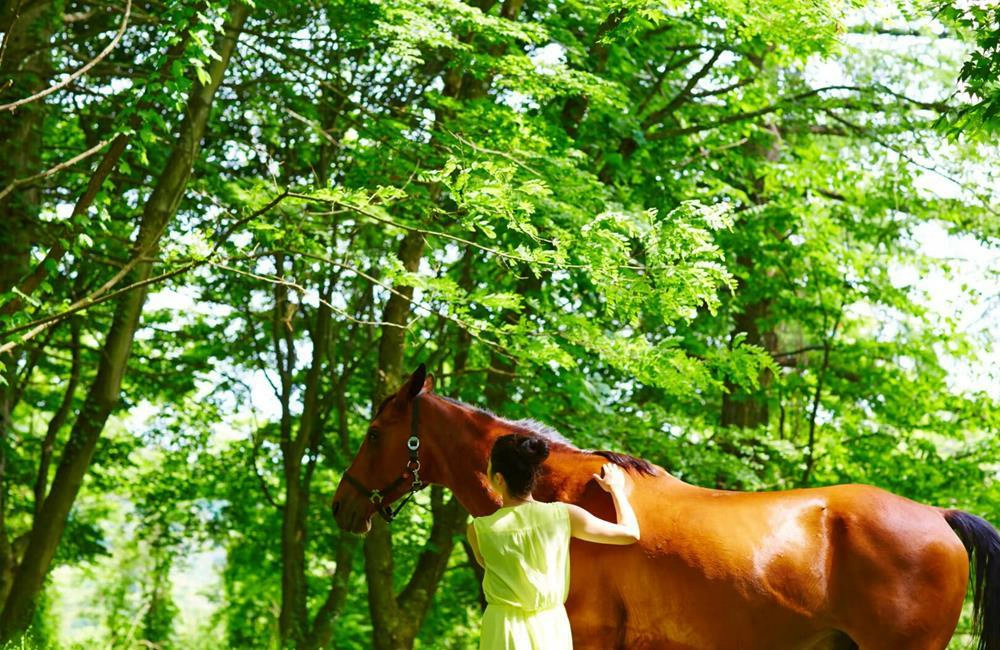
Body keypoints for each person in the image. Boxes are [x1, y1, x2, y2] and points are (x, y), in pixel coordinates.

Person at [467, 433, 641, 650]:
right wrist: (616, 490)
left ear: (499, 479)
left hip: (503, 629)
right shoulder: (563, 515)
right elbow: (630, 533)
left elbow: (489, 565)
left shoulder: (478, 530)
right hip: (549, 627)